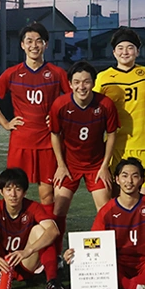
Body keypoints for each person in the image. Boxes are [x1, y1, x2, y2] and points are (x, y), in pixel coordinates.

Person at [66, 157, 145, 289]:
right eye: (124, 176)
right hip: (118, 264)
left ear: (142, 180)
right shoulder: (106, 211)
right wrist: (75, 253)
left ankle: (129, 285)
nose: (129, 181)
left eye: (135, 176)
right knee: (104, 266)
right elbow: (94, 242)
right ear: (117, 179)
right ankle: (139, 286)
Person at [0, 23, 70, 207]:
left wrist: (61, 117)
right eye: (29, 41)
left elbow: (72, 100)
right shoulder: (12, 73)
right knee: (13, 191)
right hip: (21, 141)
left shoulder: (57, 73)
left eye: (39, 41)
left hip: (48, 141)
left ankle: (49, 226)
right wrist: (5, 123)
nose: (34, 45)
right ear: (22, 45)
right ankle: (16, 225)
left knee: (47, 194)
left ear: (46, 44)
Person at [49, 61, 118, 241]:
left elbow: (111, 135)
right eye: (77, 82)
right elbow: (55, 134)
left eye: (86, 82)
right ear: (70, 84)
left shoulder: (105, 104)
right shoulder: (60, 104)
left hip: (96, 165)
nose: (82, 86)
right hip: (69, 165)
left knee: (105, 211)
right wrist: (61, 165)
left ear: (93, 83)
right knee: (59, 210)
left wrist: (105, 166)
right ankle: (56, 253)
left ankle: (105, 254)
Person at [93, 27, 145, 196]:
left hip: (144, 146)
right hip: (116, 147)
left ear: (137, 51)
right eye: (120, 48)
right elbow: (92, 108)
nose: (125, 52)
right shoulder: (104, 77)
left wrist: (143, 121)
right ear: (114, 52)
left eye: (130, 47)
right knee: (120, 200)